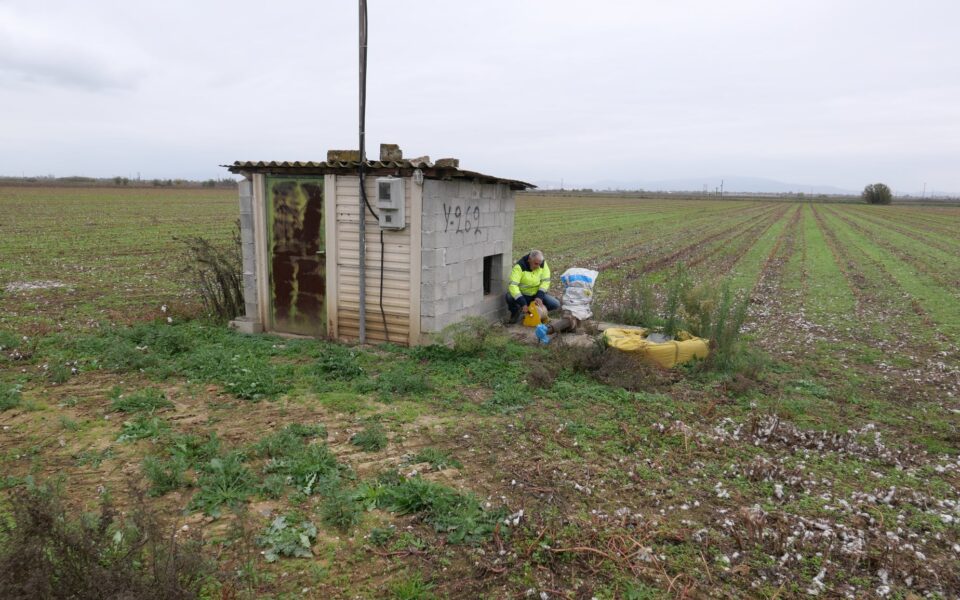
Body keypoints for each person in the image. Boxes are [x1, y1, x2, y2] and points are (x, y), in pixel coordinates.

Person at [504, 249, 560, 324]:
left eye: (539, 264)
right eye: (536, 264)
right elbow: (513, 286)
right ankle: (517, 311)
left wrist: (540, 296)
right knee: (509, 296)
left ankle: (537, 312)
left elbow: (546, 281)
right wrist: (523, 303)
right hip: (524, 296)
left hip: (537, 295)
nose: (538, 266)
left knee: (555, 304)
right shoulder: (519, 267)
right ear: (529, 260)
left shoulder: (542, 264)